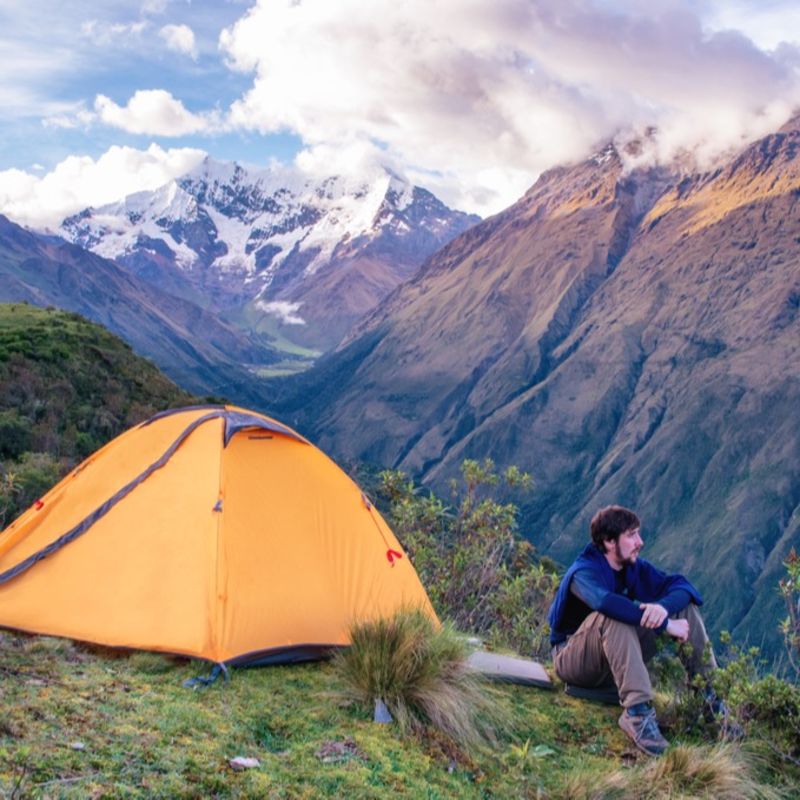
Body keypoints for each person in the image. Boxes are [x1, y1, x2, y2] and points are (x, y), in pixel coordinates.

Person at [547, 505, 721, 756]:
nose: (640, 542)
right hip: (573, 661)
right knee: (613, 616)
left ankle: (713, 705)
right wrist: (664, 625)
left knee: (684, 610)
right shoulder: (583, 572)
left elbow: (684, 586)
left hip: (612, 657)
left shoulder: (631, 567)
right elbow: (605, 603)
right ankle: (637, 716)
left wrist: (662, 609)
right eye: (631, 535)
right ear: (608, 541)